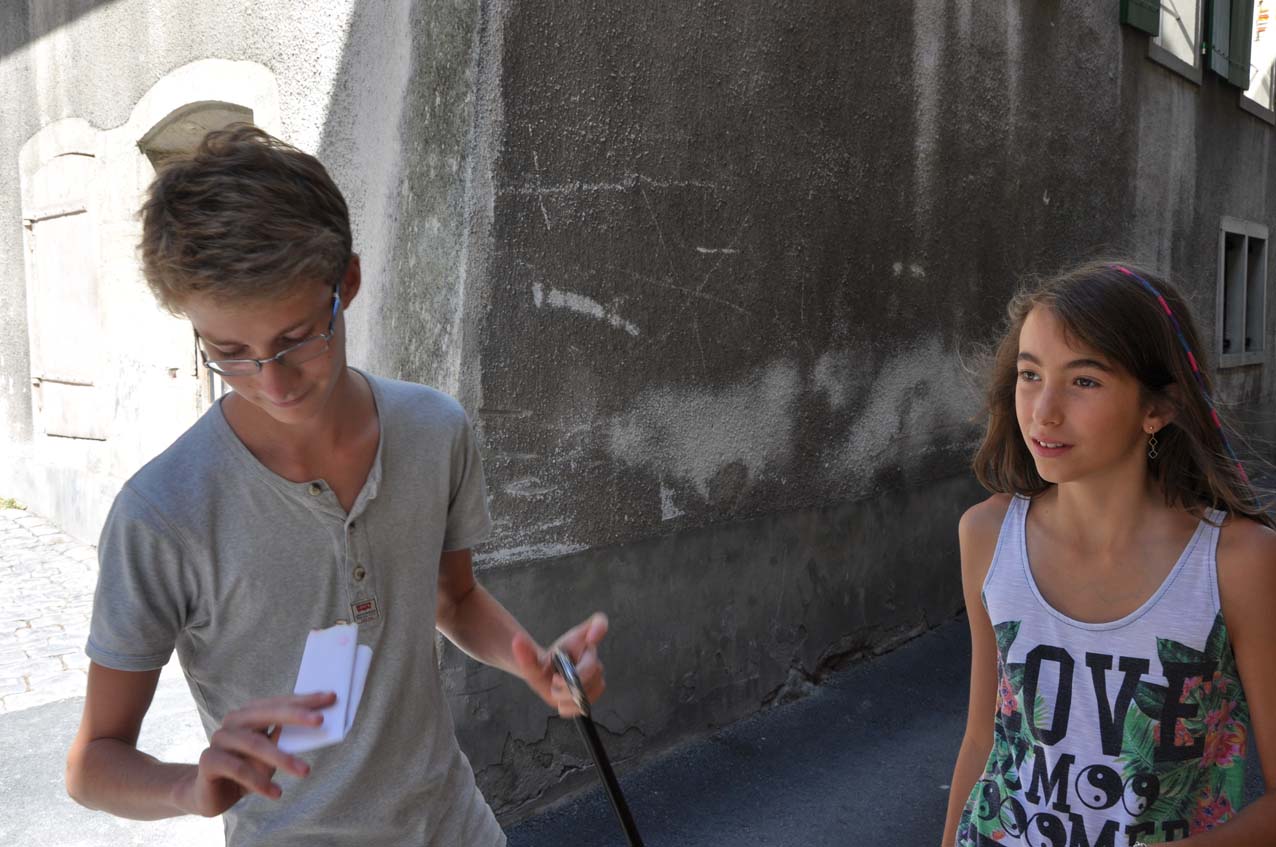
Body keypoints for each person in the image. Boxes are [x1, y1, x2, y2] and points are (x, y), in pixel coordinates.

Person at [64, 125, 608, 847]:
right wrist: (187, 787)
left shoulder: (435, 429)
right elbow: (92, 763)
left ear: (346, 283)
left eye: (297, 338)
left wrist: (531, 662)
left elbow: (453, 598)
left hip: (458, 826)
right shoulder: (161, 514)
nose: (273, 381)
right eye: (229, 352)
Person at [940, 261, 1276, 846]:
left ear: (1158, 409)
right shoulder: (987, 536)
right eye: (1029, 374)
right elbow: (983, 739)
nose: (1043, 411)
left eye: (1085, 381)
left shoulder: (1235, 562)